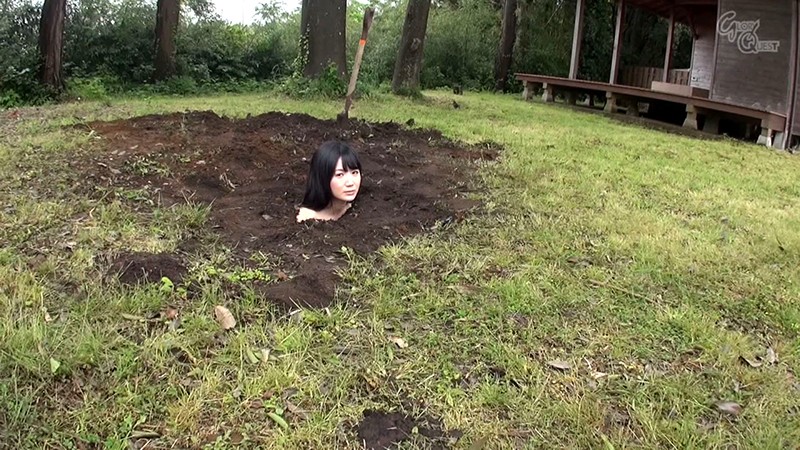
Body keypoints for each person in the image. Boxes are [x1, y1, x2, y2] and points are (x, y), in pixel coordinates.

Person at [296, 141, 362, 223]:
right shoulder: (305, 220)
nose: (350, 183)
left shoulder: (359, 209)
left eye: (354, 173)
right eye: (340, 174)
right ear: (322, 177)